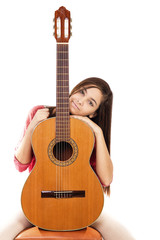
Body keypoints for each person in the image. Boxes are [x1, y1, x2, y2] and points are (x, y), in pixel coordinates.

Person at [0, 77, 135, 240]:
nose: (80, 100)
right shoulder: (40, 114)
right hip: (40, 199)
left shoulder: (90, 132)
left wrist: (98, 132)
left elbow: (106, 180)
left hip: (81, 202)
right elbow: (20, 165)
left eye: (90, 103)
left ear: (94, 113)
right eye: (82, 92)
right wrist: (33, 126)